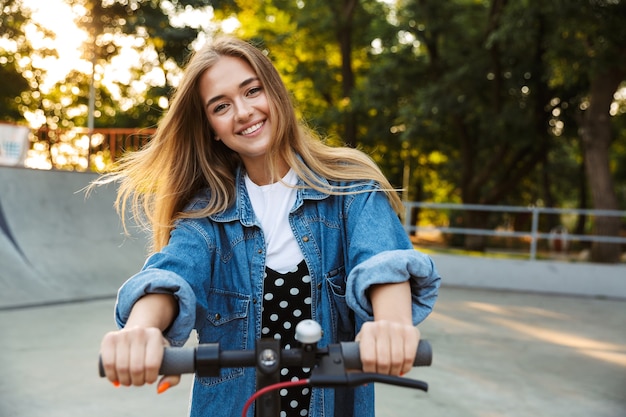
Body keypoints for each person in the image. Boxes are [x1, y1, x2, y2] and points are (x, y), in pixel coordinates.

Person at [98, 36, 440, 417]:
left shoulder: (351, 190)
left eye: (252, 91)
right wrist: (142, 330)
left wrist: (391, 325)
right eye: (221, 106)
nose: (243, 112)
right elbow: (171, 274)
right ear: (212, 127)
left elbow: (382, 261)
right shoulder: (207, 217)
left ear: (275, 93)